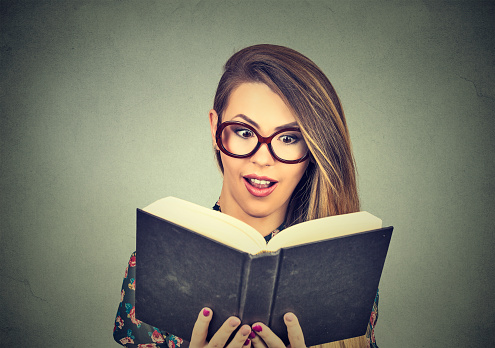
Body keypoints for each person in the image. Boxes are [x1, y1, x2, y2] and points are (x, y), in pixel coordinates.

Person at [113, 44, 379, 348]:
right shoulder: (152, 266)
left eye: (289, 138)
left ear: (312, 149)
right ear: (216, 130)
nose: (263, 158)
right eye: (244, 131)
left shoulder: (350, 270)